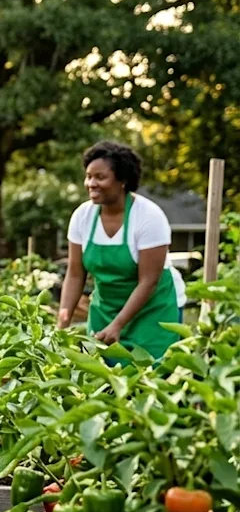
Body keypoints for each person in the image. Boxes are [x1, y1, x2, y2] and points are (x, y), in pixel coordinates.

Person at [58, 141, 179, 361]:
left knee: (151, 378)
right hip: (106, 309)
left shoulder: (149, 217)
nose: (91, 183)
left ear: (122, 180)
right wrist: (62, 322)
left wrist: (118, 325)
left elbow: (149, 281)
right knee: (103, 383)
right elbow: (75, 274)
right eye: (88, 176)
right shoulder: (82, 217)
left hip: (153, 312)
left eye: (100, 177)